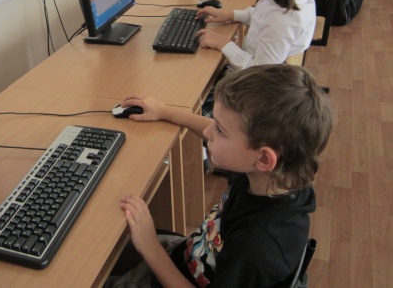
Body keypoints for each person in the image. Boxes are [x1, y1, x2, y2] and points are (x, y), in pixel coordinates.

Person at [106, 64, 333, 287]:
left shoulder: (257, 248)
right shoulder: (275, 175)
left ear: (264, 159)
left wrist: (151, 248)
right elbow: (234, 137)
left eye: (220, 130)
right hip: (191, 256)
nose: (208, 132)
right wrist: (165, 111)